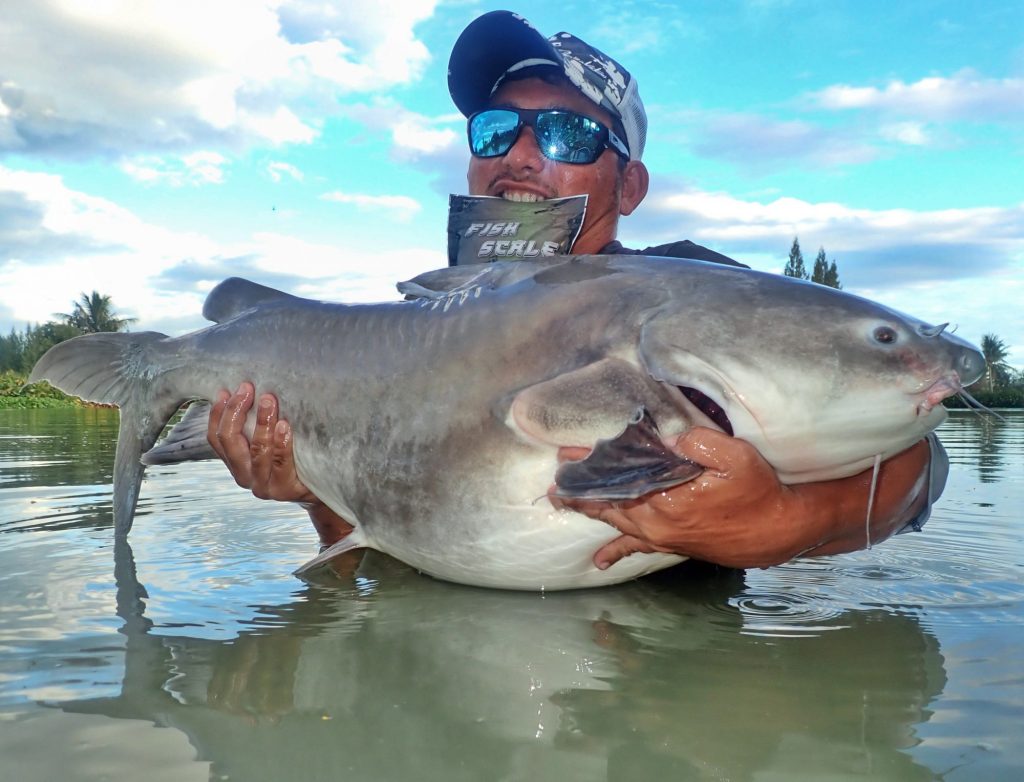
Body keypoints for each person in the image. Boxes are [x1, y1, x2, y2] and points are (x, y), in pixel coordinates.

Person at [207, 10, 946, 572]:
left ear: (628, 185)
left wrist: (786, 525)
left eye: (565, 135)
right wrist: (315, 491)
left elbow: (916, 460)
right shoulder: (421, 324)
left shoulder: (701, 291)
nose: (522, 156)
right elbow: (368, 554)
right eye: (495, 130)